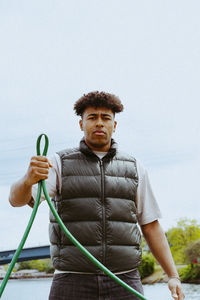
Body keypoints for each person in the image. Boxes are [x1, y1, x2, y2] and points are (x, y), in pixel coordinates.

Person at [9, 91, 185, 300]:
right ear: (81, 124)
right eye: (92, 117)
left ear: (114, 125)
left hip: (125, 280)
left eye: (105, 118)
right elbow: (16, 200)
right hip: (71, 280)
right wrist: (27, 180)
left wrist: (173, 275)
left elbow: (150, 224)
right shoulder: (57, 163)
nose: (99, 123)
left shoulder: (135, 167)